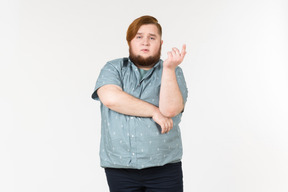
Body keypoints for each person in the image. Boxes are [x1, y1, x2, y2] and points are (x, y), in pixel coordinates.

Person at [91, 15, 188, 192]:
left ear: (160, 42)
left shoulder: (174, 71)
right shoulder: (113, 68)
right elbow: (111, 98)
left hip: (164, 166)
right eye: (139, 37)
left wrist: (168, 69)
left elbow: (170, 110)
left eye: (152, 38)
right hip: (120, 167)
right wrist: (154, 111)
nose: (145, 42)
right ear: (130, 41)